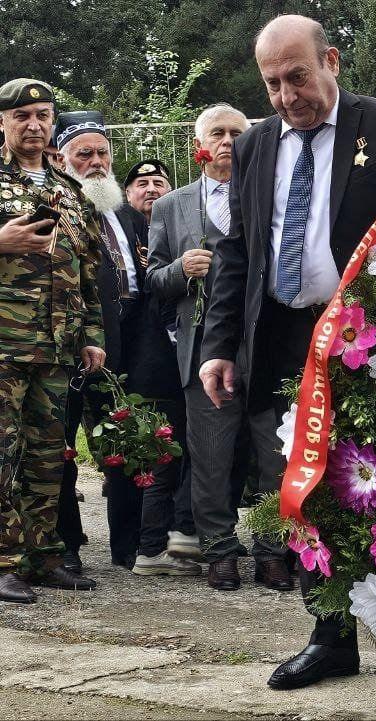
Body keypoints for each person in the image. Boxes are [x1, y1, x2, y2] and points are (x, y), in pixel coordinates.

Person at [198, 15, 376, 690]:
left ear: (331, 59)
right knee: (300, 492)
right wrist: (218, 345)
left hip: (372, 342)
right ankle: (330, 635)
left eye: (297, 76)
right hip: (282, 339)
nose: (284, 95)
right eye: (271, 83)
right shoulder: (255, 146)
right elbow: (237, 251)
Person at [146, 103, 280, 592]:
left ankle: (272, 553)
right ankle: (219, 551)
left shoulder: (271, 196)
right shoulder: (170, 205)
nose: (228, 142)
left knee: (274, 455)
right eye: (218, 134)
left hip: (265, 346)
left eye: (237, 134)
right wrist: (181, 269)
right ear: (199, 145)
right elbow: (152, 280)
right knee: (211, 455)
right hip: (202, 348)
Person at [56, 111, 194, 574]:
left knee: (125, 448)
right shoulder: (55, 209)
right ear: (63, 159)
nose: (95, 163)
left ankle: (131, 547)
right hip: (70, 346)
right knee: (61, 449)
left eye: (102, 154)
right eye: (84, 155)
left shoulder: (122, 211)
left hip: (127, 348)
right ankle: (66, 545)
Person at [0, 78, 105, 603]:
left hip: (56, 346)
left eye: (43, 115)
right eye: (22, 116)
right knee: (2, 452)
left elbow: (86, 272)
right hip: (3, 346)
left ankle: (43, 555)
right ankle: (4, 559)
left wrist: (91, 336)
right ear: (3, 123)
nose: (34, 125)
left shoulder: (68, 187)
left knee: (47, 455)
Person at [123, 160, 172, 224]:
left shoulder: (183, 228)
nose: (151, 189)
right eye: (143, 184)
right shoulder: (115, 228)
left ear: (169, 192)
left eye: (158, 184)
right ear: (128, 194)